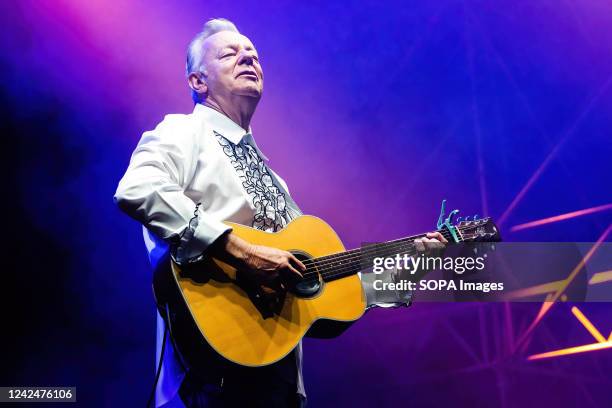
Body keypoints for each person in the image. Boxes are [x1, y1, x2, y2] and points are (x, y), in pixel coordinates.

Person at [114, 18, 446, 408]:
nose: (248, 58)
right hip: (208, 375)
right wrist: (241, 250)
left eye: (253, 53)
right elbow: (138, 189)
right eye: (230, 53)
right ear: (197, 82)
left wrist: (404, 273)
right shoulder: (182, 133)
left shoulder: (277, 184)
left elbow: (325, 290)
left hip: (278, 379)